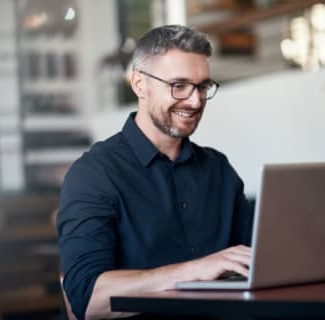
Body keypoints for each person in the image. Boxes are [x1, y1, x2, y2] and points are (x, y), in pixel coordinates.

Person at [57, 24, 254, 320]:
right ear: (139, 84)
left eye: (202, 86)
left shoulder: (219, 170)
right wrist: (197, 271)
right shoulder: (94, 174)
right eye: (179, 85)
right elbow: (88, 299)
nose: (195, 100)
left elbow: (257, 263)